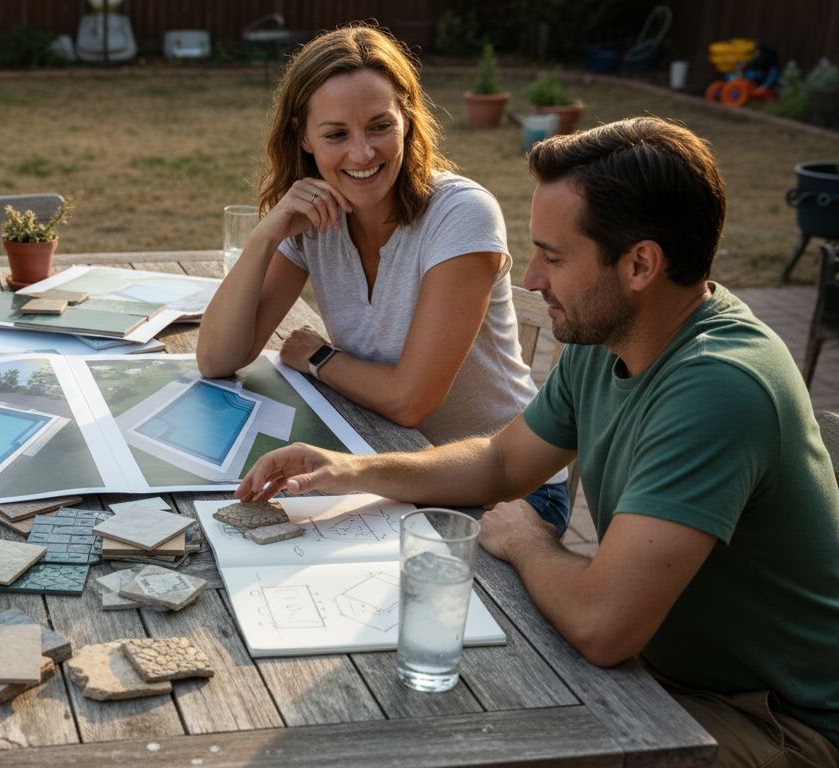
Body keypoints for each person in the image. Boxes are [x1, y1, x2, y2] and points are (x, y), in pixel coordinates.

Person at [235, 116, 839, 767]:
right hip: (667, 672)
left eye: (553, 256)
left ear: (640, 264)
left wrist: (527, 541)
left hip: (774, 719)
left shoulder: (717, 388)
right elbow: (501, 461)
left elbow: (604, 625)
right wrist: (352, 470)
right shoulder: (612, 334)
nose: (531, 279)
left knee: (449, 736)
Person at [196, 23, 570, 533]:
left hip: (503, 493)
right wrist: (266, 235)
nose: (362, 153)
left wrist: (321, 358)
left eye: (379, 126)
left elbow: (410, 400)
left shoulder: (461, 214)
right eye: (335, 134)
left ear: (408, 120)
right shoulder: (313, 217)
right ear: (302, 137)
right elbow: (217, 359)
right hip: (386, 466)